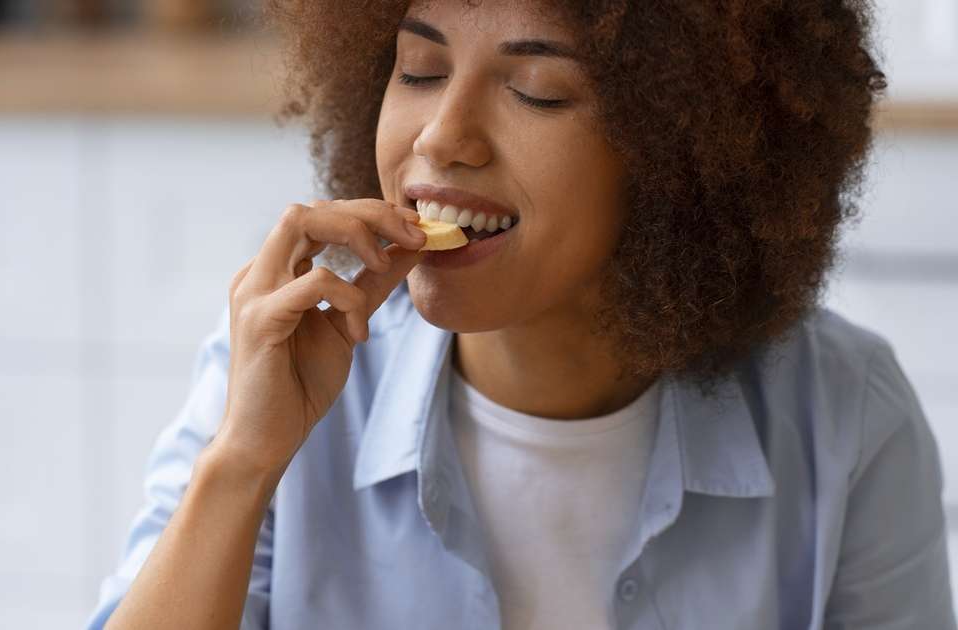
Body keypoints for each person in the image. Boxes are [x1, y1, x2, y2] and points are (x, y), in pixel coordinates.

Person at [88, 1, 955, 628]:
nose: (441, 137)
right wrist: (241, 463)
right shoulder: (282, 372)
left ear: (679, 151)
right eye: (420, 71)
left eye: (537, 90)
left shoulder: (846, 417)